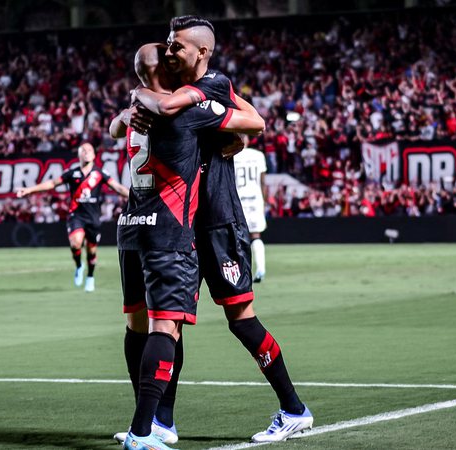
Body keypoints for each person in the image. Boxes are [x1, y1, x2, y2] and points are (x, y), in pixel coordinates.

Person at [133, 15, 313, 443]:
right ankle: (163, 422)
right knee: (171, 322)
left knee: (241, 320)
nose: (170, 51)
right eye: (168, 44)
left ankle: (293, 409)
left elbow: (256, 121)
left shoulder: (213, 84)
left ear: (202, 52)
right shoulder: (179, 92)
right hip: (185, 224)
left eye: (177, 45)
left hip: (219, 221)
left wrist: (140, 98)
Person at [111, 42, 266, 450]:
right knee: (166, 328)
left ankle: (153, 422)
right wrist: (237, 136)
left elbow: (115, 127)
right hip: (169, 230)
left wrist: (127, 108)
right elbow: (254, 123)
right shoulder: (184, 111)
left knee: (137, 326)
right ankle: (143, 431)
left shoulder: (134, 114)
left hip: (131, 227)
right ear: (165, 68)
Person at [16, 143, 128, 292]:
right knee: (76, 243)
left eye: (89, 150)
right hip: (76, 215)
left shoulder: (100, 173)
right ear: (79, 154)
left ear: (94, 155)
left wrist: (135, 196)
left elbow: (118, 187)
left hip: (93, 217)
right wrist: (30, 190)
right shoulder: (72, 173)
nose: (87, 152)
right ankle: (79, 266)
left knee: (91, 251)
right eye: (84, 150)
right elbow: (52, 183)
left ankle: (90, 277)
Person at [234, 135, 268, 282]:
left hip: (238, 199)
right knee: (256, 235)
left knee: (238, 237)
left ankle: (241, 272)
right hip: (255, 199)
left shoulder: (231, 155)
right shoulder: (258, 155)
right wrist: (264, 201)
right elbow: (263, 182)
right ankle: (261, 268)